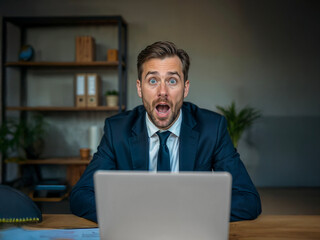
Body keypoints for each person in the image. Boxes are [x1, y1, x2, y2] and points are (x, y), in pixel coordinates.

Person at [70, 41, 262, 222]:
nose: (162, 91)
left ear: (185, 88)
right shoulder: (117, 131)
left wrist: (182, 211)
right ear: (140, 88)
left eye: (172, 81)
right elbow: (81, 196)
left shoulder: (212, 128)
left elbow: (248, 200)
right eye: (153, 81)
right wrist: (139, 213)